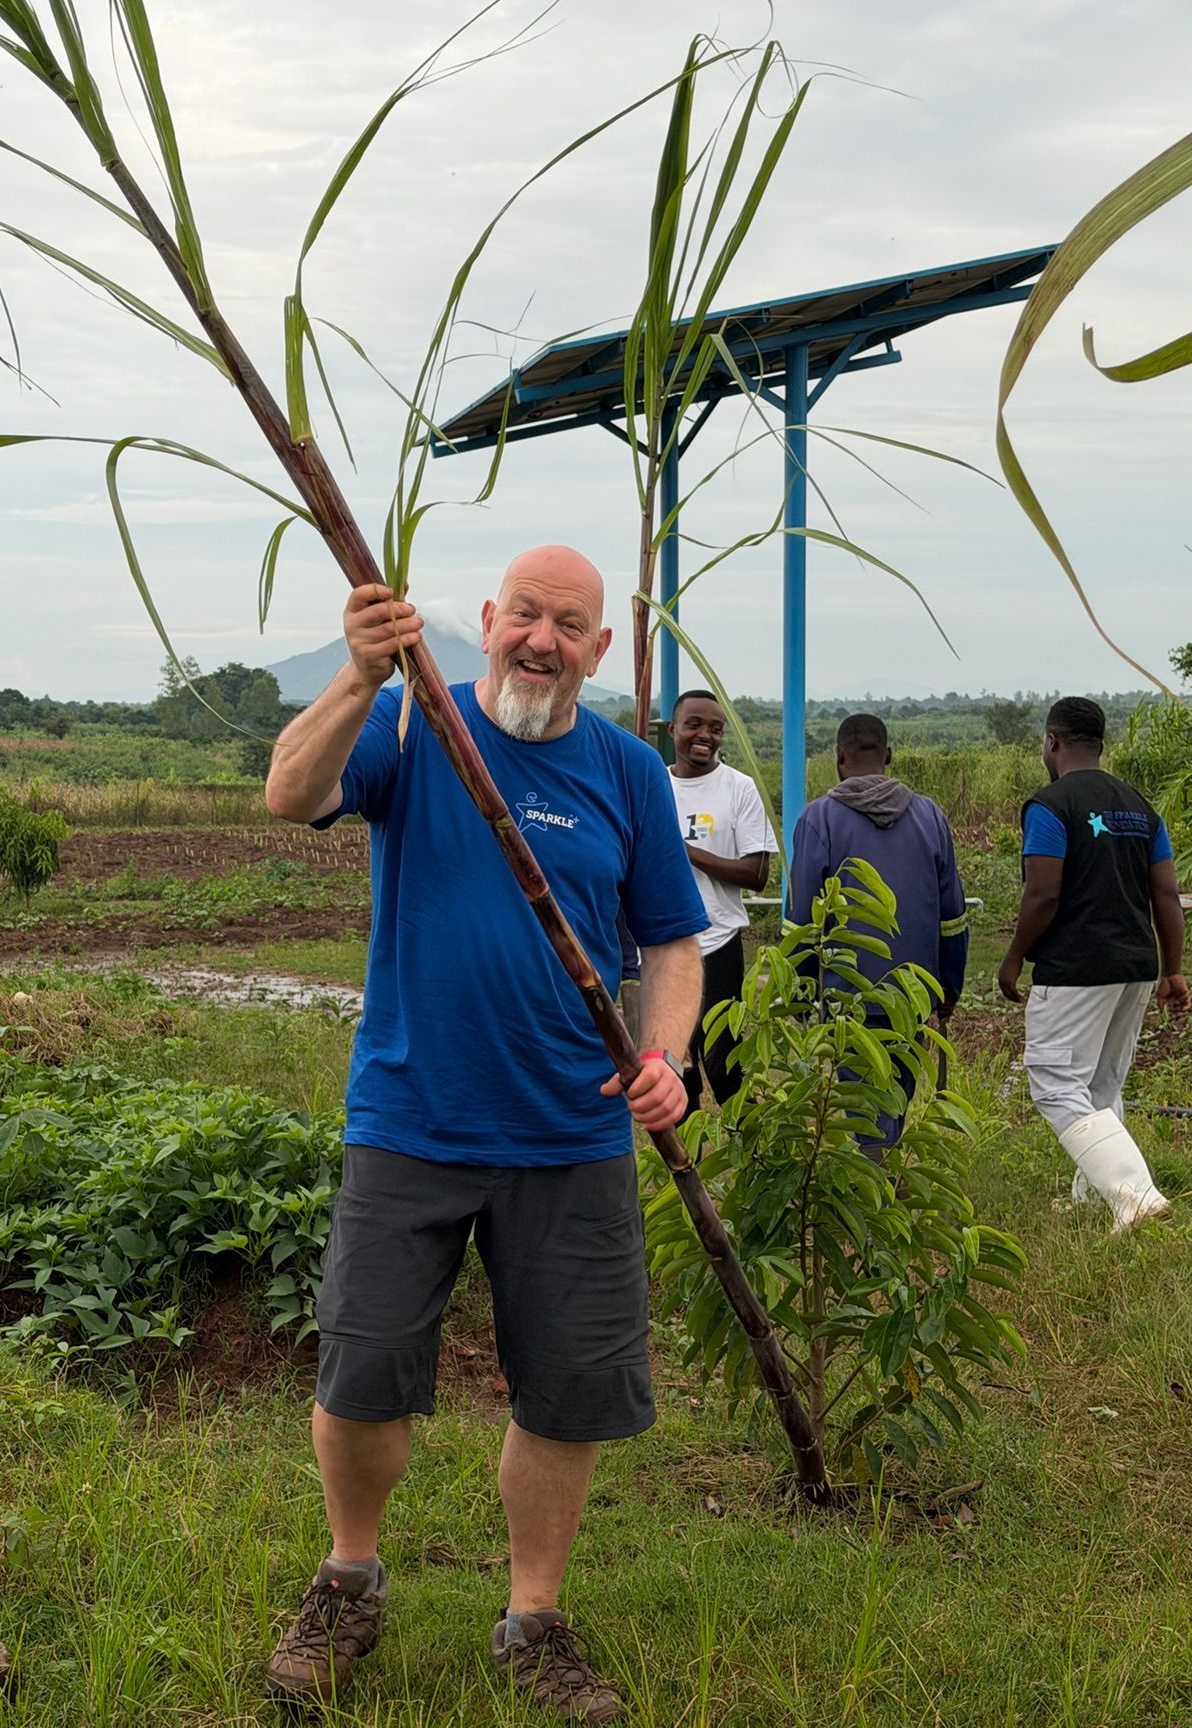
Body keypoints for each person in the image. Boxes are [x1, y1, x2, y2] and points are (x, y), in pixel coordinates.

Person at [262, 547, 705, 1720]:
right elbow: (289, 790)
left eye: (570, 623)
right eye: (524, 615)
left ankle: (534, 1618)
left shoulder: (629, 772)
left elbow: (671, 944)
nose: (541, 640)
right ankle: (348, 1575)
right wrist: (358, 675)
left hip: (572, 1130)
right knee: (362, 1372)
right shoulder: (417, 727)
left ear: (599, 650)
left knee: (571, 1386)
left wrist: (664, 1057)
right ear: (488, 622)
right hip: (413, 1116)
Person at [998, 695, 1189, 1230]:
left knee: (1056, 1082)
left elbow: (1043, 895)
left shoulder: (1050, 805)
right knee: (1101, 1086)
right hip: (1136, 966)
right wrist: (1172, 970)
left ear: (1052, 742)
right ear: (1100, 745)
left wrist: (1014, 958)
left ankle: (1136, 1196)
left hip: (1077, 967)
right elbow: (1167, 895)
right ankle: (1095, 1201)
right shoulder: (1140, 807)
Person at [786, 713, 968, 1151]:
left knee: (863, 1101)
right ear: (888, 756)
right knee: (894, 1092)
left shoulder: (819, 820)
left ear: (839, 757)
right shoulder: (929, 817)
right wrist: (948, 990)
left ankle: (875, 1191)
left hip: (848, 992)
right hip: (912, 990)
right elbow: (953, 918)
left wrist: (799, 991)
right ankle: (881, 1181)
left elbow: (802, 921)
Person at [663, 689, 776, 1113]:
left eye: (715, 728)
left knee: (722, 1060)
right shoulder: (653, 785)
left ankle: (753, 1162)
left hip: (719, 943)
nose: (704, 736)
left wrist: (683, 850)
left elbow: (757, 874)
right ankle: (686, 1169)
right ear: (672, 728)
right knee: (678, 1064)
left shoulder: (739, 788)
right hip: (665, 945)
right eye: (694, 724)